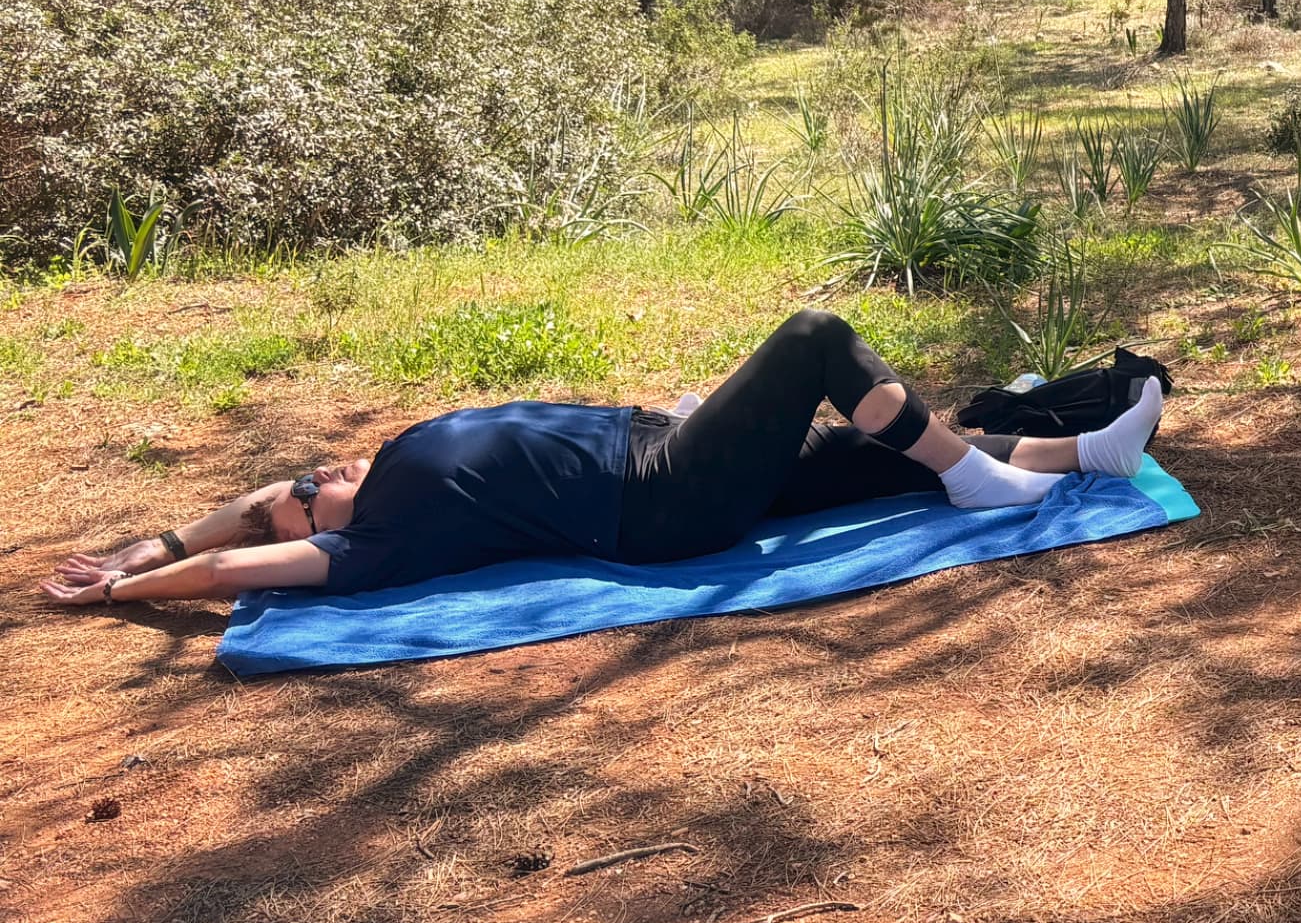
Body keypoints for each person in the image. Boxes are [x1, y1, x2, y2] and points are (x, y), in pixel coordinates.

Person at [43, 309, 1166, 609]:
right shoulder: (378, 541)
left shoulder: (373, 476)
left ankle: (1083, 457)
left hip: (659, 443)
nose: (302, 487)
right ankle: (982, 482)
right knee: (817, 341)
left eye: (300, 481)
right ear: (327, 533)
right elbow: (246, 563)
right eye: (304, 507)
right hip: (659, 505)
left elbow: (242, 517)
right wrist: (146, 586)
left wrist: (143, 539)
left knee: (872, 456)